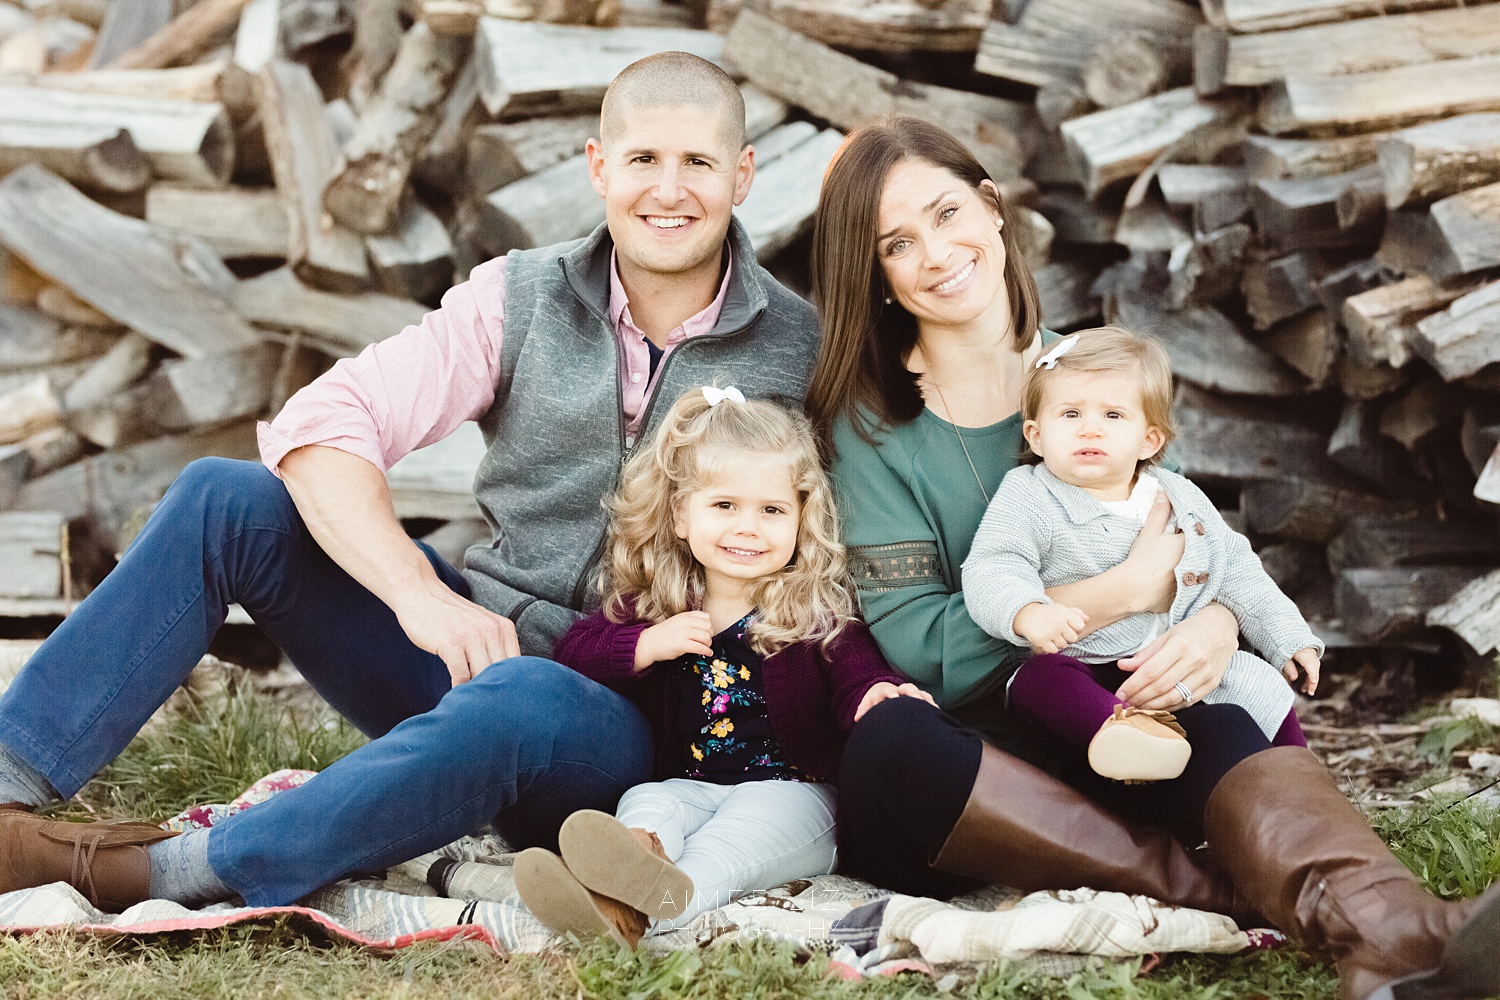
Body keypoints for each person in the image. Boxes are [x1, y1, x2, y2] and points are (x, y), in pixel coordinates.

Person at [0, 53, 822, 917]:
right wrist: (417, 593)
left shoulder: (800, 349)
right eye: (645, 159)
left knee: (525, 696)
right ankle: (8, 786)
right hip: (476, 655)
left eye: (697, 162)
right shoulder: (519, 297)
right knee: (224, 499)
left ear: (743, 175)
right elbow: (323, 424)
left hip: (638, 728)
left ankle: (170, 872)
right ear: (597, 166)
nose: (669, 189)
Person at [807, 116, 1500, 1000]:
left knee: (1221, 722)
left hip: (1123, 727)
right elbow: (916, 641)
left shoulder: (1087, 371)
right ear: (878, 278)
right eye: (898, 244)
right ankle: (1212, 891)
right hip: (975, 775)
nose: (937, 253)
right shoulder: (870, 427)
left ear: (990, 207)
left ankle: (1399, 929)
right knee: (889, 747)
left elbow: (1187, 538)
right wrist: (1120, 591)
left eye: (946, 214)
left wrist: (1212, 622)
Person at [513, 387, 931, 946]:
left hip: (793, 794)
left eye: (773, 510)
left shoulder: (812, 610)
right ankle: (623, 871)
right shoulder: (658, 601)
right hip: (688, 784)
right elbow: (574, 654)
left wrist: (874, 696)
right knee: (647, 805)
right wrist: (644, 645)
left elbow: (856, 671)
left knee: (727, 848)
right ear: (681, 515)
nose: (748, 527)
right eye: (725, 506)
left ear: (802, 520)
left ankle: (633, 912)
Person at [963, 325, 1320, 784]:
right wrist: (1026, 611)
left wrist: (1286, 635)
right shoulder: (1029, 495)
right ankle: (1124, 739)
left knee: (1256, 683)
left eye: (1113, 416)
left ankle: (1304, 784)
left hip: (1172, 659)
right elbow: (994, 564)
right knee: (1039, 680)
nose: (1090, 427)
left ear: (1149, 440)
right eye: (1070, 413)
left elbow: (1236, 566)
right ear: (1035, 435)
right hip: (1087, 665)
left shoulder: (1177, 496)